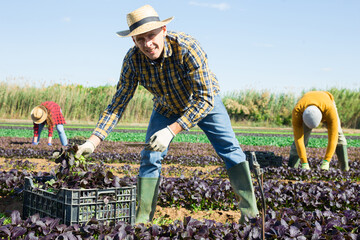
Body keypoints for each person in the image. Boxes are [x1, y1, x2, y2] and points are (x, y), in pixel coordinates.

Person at [75, 4, 259, 224]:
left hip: (203, 103)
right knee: (150, 156)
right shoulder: (132, 61)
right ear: (133, 40)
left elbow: (205, 97)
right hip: (166, 107)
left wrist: (171, 131)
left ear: (163, 31)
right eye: (140, 39)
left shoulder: (188, 47)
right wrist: (93, 142)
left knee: (230, 149)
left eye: (151, 36)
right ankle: (142, 220)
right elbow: (118, 104)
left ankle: (250, 216)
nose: (147, 44)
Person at [288, 91, 349, 171]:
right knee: (301, 139)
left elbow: (333, 137)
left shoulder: (330, 110)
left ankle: (345, 168)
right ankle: (292, 168)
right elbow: (298, 139)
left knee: (339, 135)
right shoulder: (297, 111)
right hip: (307, 102)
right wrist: (304, 163)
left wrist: (327, 161)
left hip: (327, 101)